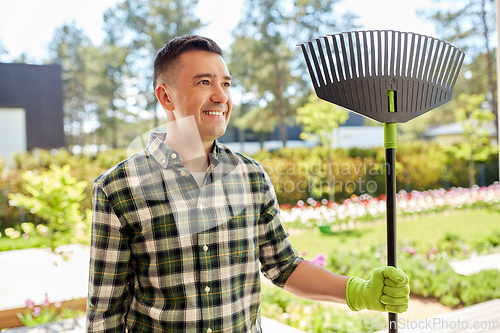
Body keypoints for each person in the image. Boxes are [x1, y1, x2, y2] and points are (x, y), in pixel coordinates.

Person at [86, 35, 410, 333]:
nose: (221, 96)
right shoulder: (118, 189)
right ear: (165, 96)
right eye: (204, 82)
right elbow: (105, 316)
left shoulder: (251, 176)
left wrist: (358, 291)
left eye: (226, 84)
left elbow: (283, 266)